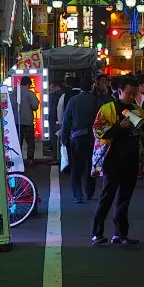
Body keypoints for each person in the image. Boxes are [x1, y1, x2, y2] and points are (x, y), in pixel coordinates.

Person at [91, 76, 144, 246]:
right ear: (119, 91)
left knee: (124, 198)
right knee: (107, 196)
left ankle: (120, 234)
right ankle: (97, 233)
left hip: (131, 159)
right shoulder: (107, 108)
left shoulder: (136, 109)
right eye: (129, 94)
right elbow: (98, 130)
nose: (132, 97)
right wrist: (119, 127)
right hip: (112, 159)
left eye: (135, 94)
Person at [61, 74, 99, 203]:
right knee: (91, 165)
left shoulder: (73, 100)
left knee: (76, 167)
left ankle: (78, 195)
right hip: (93, 138)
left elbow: (66, 120)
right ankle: (89, 191)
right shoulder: (96, 101)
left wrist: (64, 137)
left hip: (76, 138)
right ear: (92, 86)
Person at [13, 76, 39, 166]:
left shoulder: (12, 93)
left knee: (17, 141)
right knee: (30, 141)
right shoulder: (29, 93)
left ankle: (17, 160)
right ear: (28, 84)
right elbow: (35, 105)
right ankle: (30, 159)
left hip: (15, 121)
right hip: (27, 121)